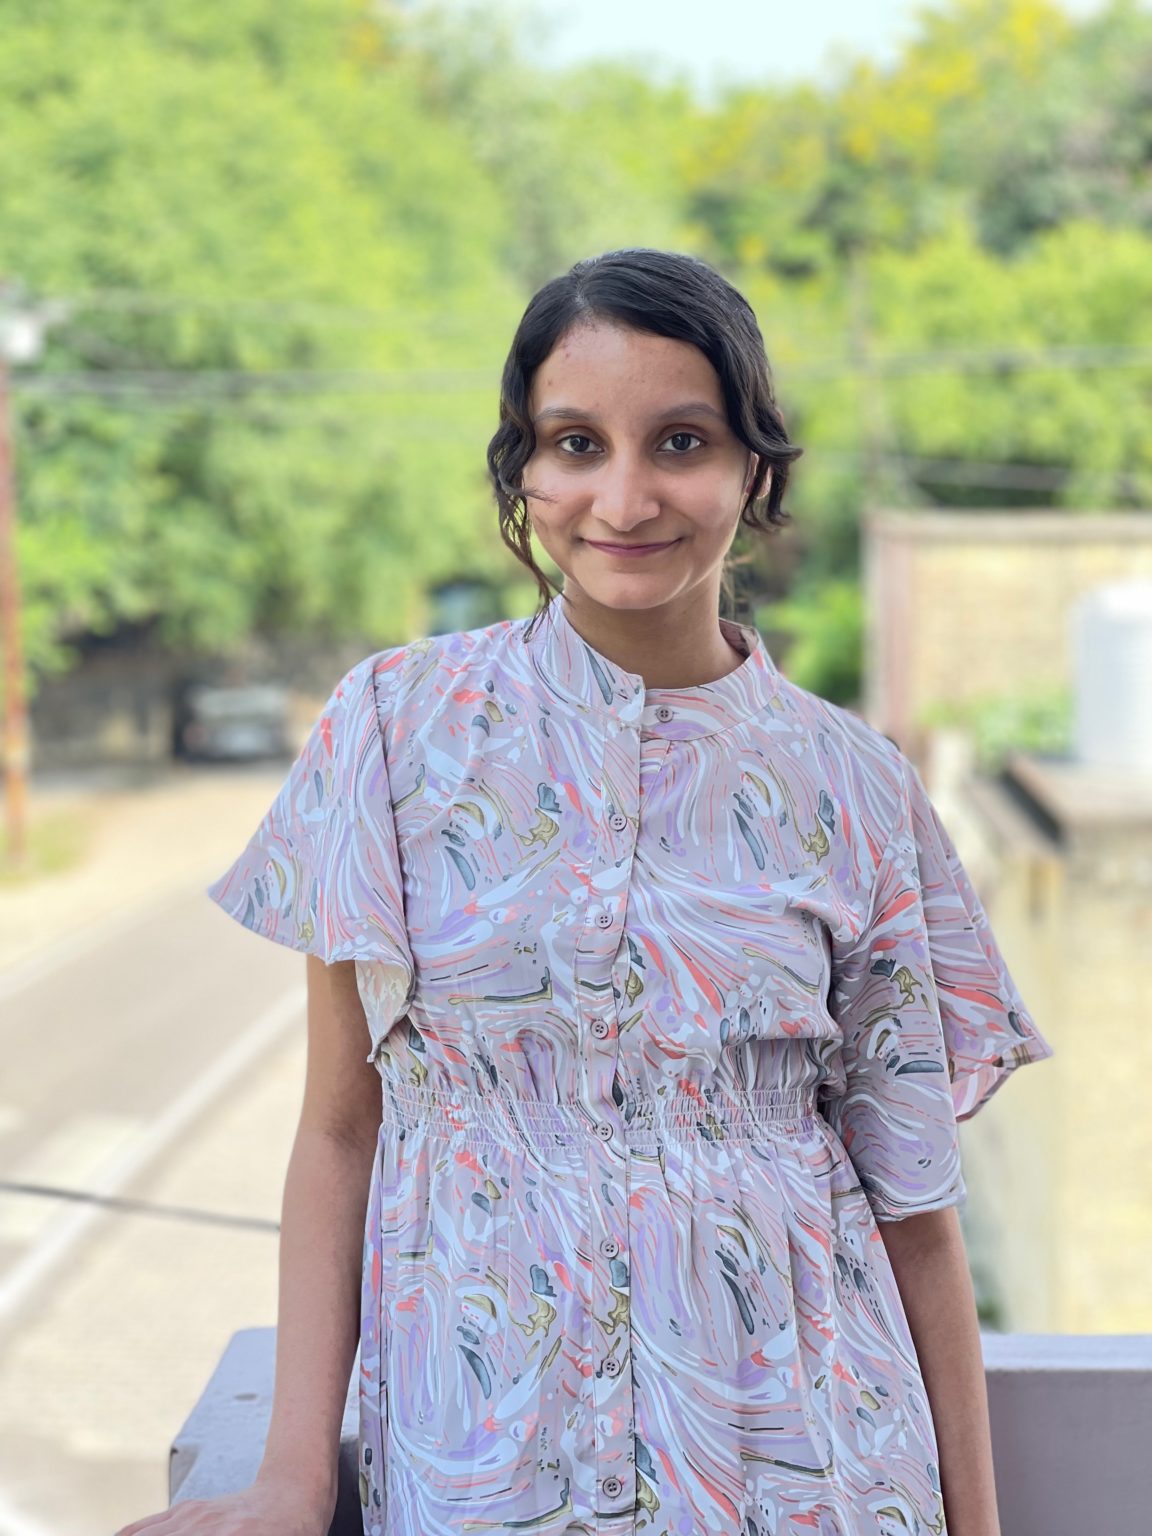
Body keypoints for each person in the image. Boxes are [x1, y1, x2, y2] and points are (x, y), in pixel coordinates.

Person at [118, 248, 1054, 1536]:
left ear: (753, 470)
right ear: (524, 470)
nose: (625, 497)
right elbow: (340, 1132)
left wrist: (977, 1526)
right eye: (575, 443)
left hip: (807, 1466)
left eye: (681, 441)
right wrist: (292, 1478)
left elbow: (915, 1200)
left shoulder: (855, 786)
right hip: (482, 1459)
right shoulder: (393, 729)